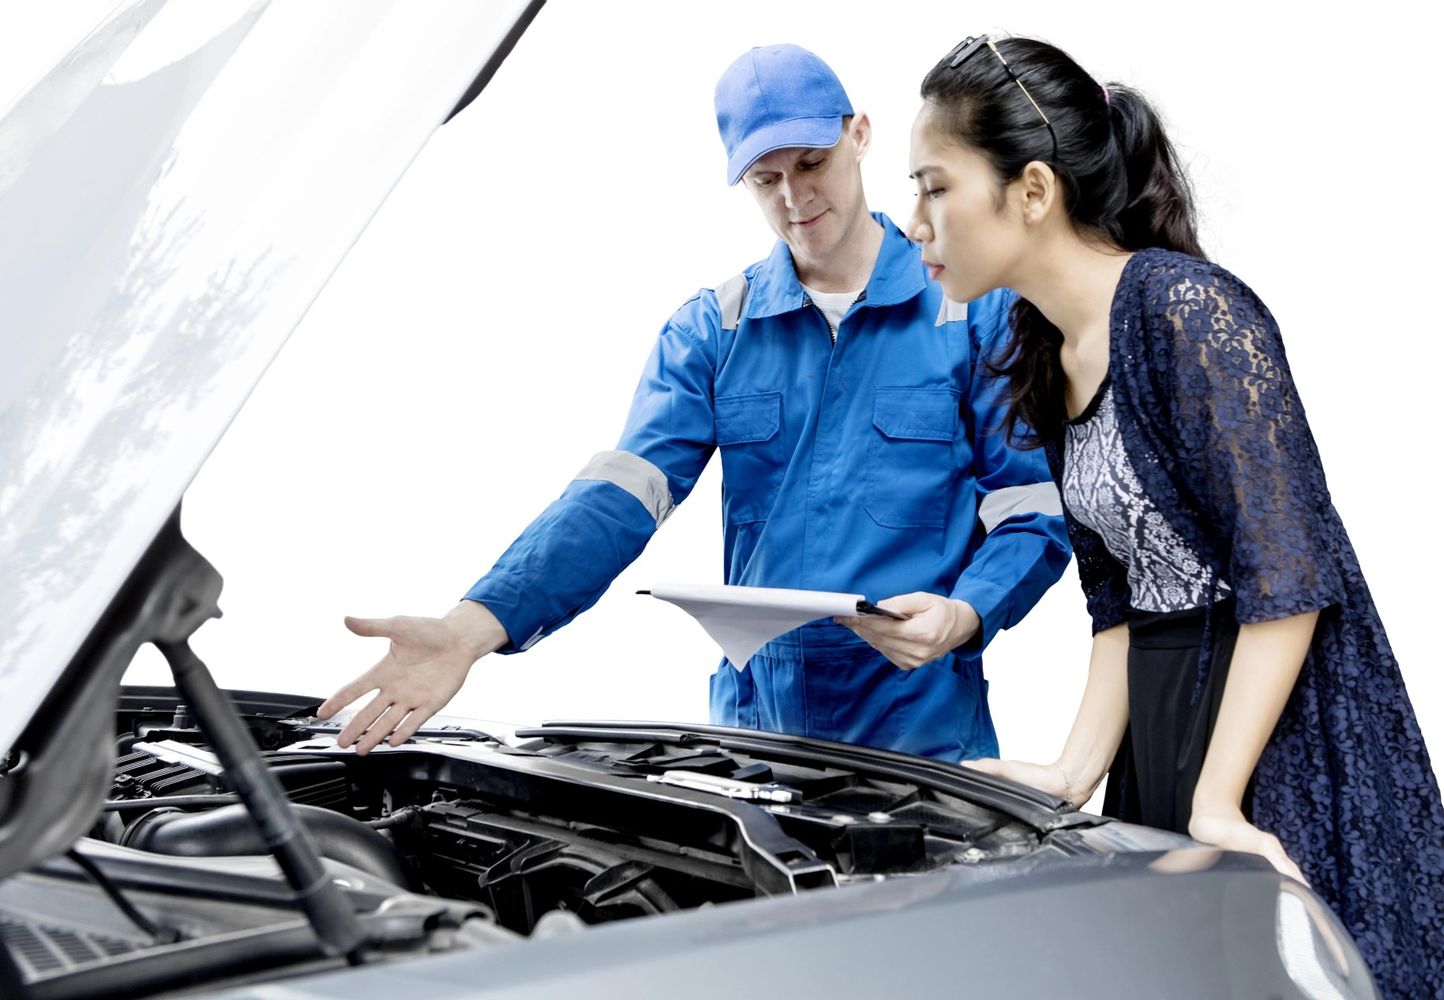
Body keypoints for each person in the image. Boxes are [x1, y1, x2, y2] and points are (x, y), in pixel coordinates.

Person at [905, 32, 1444, 997]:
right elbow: (1119, 601)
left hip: (1281, 731)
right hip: (1167, 729)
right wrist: (1073, 766)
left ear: (1033, 192)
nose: (915, 220)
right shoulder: (1046, 346)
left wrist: (1219, 798)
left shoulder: (1187, 309)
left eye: (935, 187)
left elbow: (1289, 577)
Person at [316, 44, 1070, 763]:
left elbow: (1031, 505)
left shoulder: (972, 312)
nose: (795, 196)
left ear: (860, 133)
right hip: (758, 739)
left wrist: (966, 614)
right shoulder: (712, 330)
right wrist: (470, 628)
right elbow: (618, 499)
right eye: (765, 179)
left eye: (812, 163)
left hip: (923, 731)